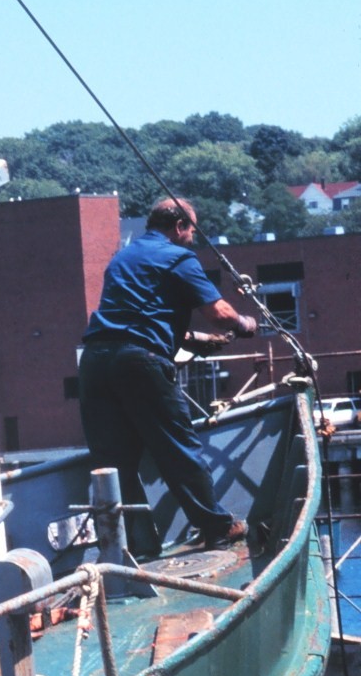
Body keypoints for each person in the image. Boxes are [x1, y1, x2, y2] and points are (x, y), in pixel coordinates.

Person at [78, 196, 257, 556]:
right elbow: (220, 313)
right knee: (177, 448)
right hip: (140, 363)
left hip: (94, 361)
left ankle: (137, 548)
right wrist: (245, 323)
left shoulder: (121, 258)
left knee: (114, 462)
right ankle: (218, 528)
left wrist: (191, 339)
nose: (192, 239)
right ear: (179, 227)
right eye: (192, 231)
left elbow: (133, 316)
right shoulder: (178, 257)